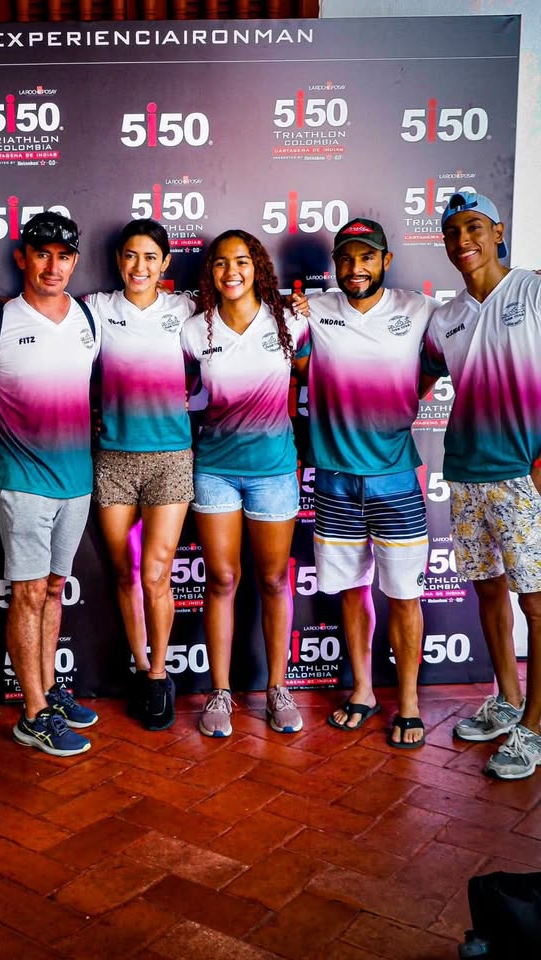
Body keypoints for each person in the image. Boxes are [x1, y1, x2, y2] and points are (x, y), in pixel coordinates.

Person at [422, 191, 541, 779]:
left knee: (537, 604)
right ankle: (508, 702)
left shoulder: (535, 290)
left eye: (473, 227)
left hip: (523, 476)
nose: (461, 239)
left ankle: (536, 727)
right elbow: (415, 378)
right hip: (465, 474)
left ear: (497, 231)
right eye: (450, 231)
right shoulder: (445, 317)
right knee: (489, 592)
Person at [306, 218, 434, 748]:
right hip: (335, 478)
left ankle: (407, 702)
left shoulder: (418, 309)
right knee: (354, 590)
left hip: (395, 478)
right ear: (335, 264)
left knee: (404, 594)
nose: (355, 268)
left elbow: (444, 359)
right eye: (346, 258)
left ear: (385, 260)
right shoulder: (314, 310)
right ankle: (362, 690)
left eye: (366, 257)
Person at [180, 230, 309, 738]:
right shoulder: (195, 331)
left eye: (241, 261)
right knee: (221, 580)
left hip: (275, 472)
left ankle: (278, 688)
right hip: (214, 471)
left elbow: (312, 365)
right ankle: (220, 691)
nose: (231, 271)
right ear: (209, 273)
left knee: (276, 581)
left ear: (257, 266)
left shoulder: (292, 321)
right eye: (219, 264)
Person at [0, 211, 100, 756]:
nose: (53, 266)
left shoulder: (87, 319)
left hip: (75, 480)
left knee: (53, 589)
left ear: (75, 260)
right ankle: (33, 715)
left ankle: (48, 690)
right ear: (22, 257)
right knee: (28, 594)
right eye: (42, 253)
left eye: (64, 255)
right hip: (21, 480)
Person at [83, 219, 196, 730]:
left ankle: (159, 673)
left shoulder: (187, 310)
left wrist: (301, 306)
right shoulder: (99, 308)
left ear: (165, 262)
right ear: (118, 260)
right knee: (125, 572)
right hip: (113, 458)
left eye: (150, 257)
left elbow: (249, 315)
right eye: (130, 255)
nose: (139, 266)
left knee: (155, 572)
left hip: (171, 456)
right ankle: (140, 668)